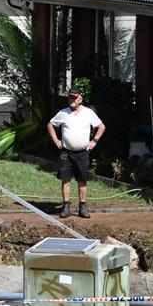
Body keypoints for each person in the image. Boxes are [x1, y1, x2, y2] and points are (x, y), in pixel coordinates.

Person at [48, 89, 105, 219]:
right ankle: (66, 206)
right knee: (65, 179)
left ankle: (82, 207)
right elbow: (50, 125)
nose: (72, 100)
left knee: (82, 180)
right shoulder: (63, 113)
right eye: (70, 98)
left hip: (82, 153)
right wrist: (56, 140)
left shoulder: (88, 113)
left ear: (80, 99)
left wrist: (94, 141)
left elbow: (101, 126)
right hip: (66, 153)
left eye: (74, 98)